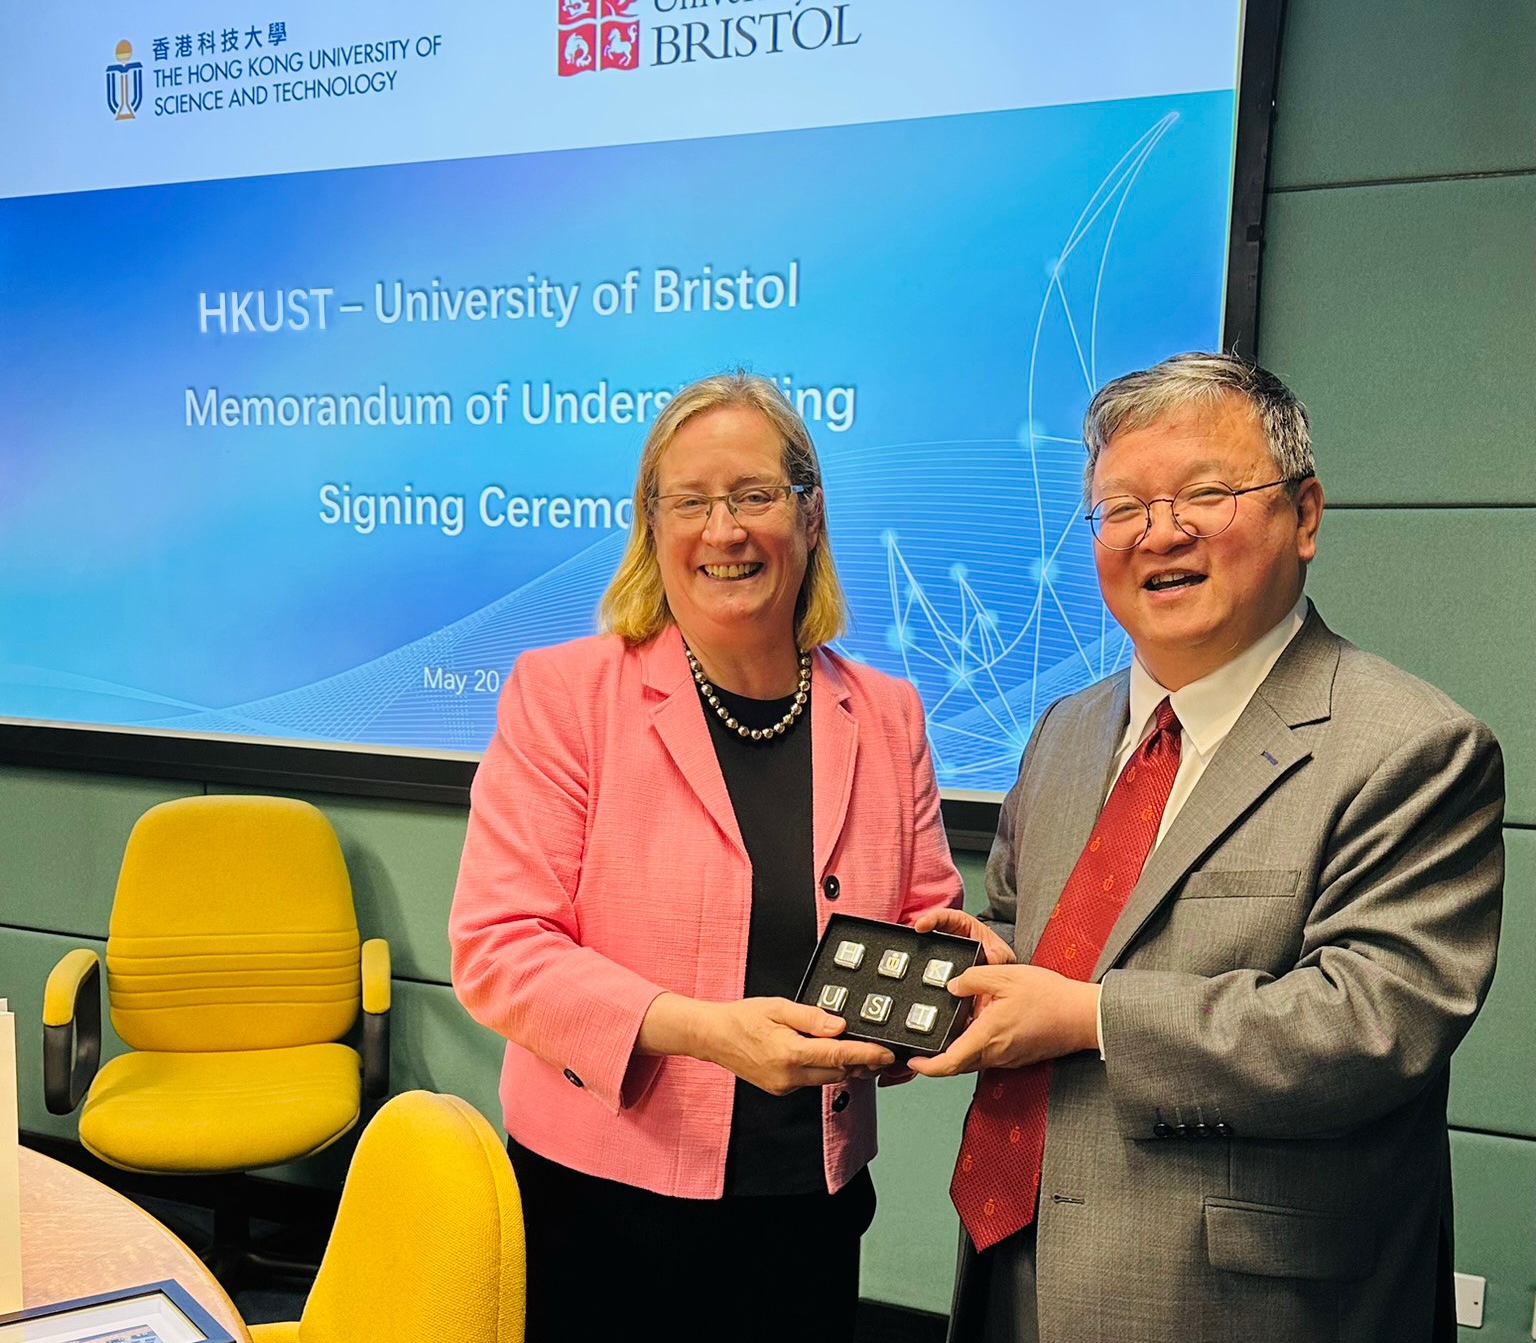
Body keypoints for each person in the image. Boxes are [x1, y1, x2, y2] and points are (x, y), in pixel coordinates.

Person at [911, 351, 1503, 1343]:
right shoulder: (1063, 730)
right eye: (1122, 507)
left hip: (1246, 1304)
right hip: (1014, 1269)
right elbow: (1033, 929)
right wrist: (989, 961)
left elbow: (1371, 1024)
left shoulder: (1413, 745)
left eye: (1206, 493)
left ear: (1305, 514)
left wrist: (1090, 1016)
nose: (1162, 532)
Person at [450, 371, 963, 1340]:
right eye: (689, 500)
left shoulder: (887, 711)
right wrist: (702, 1029)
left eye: (755, 495)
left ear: (810, 516)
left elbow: (921, 909)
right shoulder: (565, 693)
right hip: (607, 1198)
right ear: (651, 525)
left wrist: (950, 966)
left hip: (811, 1190)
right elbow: (500, 947)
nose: (722, 530)